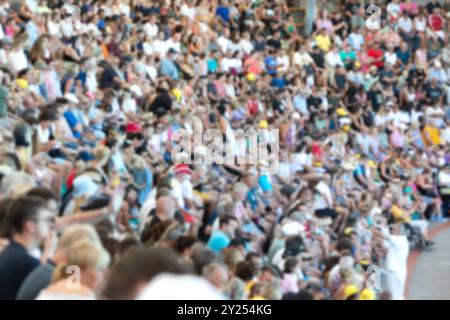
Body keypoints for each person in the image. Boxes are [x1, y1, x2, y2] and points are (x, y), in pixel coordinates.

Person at [0, 196, 55, 299]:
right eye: (47, 220)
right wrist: (49, 251)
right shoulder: (26, 262)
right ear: (30, 226)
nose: (51, 224)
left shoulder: (12, 252)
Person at [36, 240, 110, 300]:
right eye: (100, 269)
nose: (106, 275)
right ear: (80, 270)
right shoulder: (83, 294)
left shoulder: (53, 287)